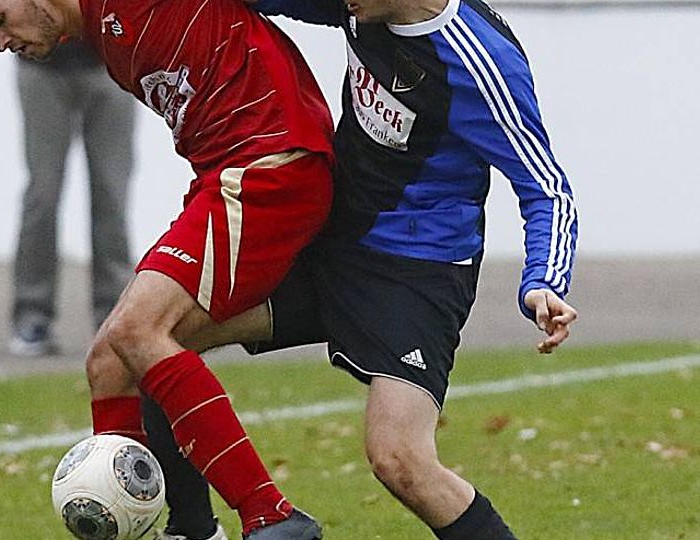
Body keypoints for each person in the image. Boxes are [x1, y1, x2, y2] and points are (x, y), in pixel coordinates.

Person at [142, 0, 579, 538]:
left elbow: (547, 188)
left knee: (400, 460)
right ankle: (193, 530)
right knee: (156, 337)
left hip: (414, 272)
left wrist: (543, 282)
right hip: (326, 238)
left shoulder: (481, 62)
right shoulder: (363, 6)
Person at [0, 0, 335, 538]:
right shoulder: (97, 36)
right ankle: (188, 529)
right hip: (226, 175)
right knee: (110, 359)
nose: (1, 42)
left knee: (138, 331)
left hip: (270, 166)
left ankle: (272, 516)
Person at [9, 46, 135, 357]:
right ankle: (32, 315)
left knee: (111, 196)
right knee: (43, 195)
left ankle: (115, 314)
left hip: (111, 64)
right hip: (42, 65)